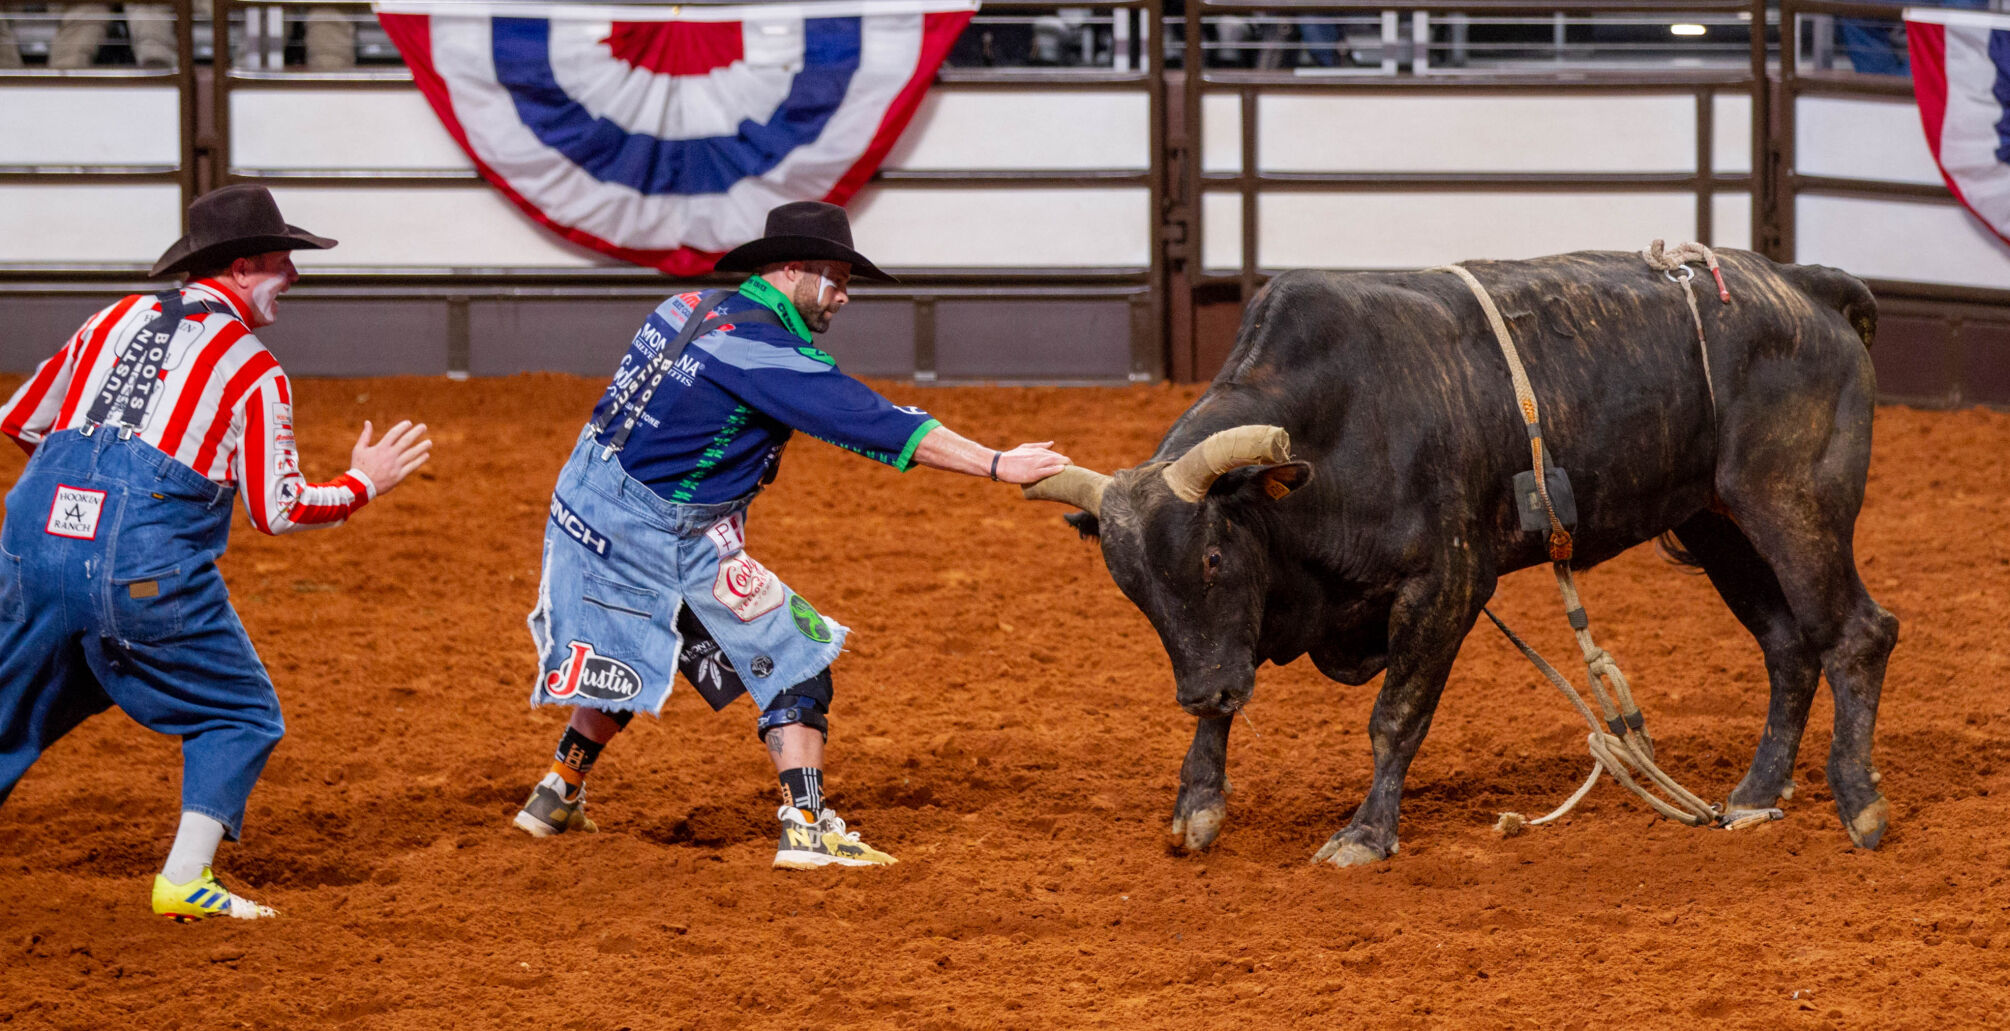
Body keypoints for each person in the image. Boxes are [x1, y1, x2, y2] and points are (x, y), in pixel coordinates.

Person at [513, 201, 1070, 869]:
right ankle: (806, 826)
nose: (840, 297)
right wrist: (998, 463)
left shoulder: (683, 305)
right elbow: (875, 420)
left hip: (584, 508)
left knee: (636, 651)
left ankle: (557, 792)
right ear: (789, 271)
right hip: (661, 535)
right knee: (798, 657)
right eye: (833, 279)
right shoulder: (764, 353)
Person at [0, 184, 433, 921]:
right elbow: (279, 508)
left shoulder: (112, 317)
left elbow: (19, 420)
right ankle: (185, 879)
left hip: (33, 541)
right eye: (280, 262)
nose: (292, 277)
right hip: (141, 567)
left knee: (17, 701)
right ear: (239, 268)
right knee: (241, 712)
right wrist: (365, 481)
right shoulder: (253, 368)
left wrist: (85, 494)